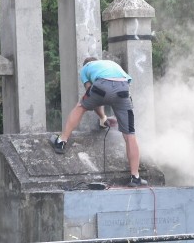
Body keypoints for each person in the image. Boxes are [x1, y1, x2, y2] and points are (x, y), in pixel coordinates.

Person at [51, 57, 147, 186]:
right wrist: (104, 118)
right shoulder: (111, 64)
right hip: (123, 88)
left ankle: (61, 141)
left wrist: (101, 113)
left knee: (80, 106)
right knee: (130, 134)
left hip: (101, 85)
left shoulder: (85, 69)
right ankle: (135, 177)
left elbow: (92, 95)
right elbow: (119, 89)